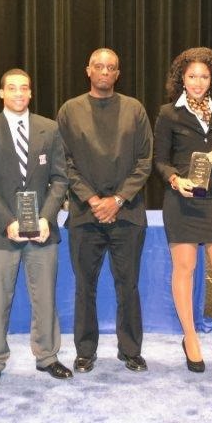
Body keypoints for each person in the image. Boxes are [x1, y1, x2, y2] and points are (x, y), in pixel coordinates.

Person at [0, 69, 72, 388]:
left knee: (45, 296)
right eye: (12, 88)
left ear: (31, 93)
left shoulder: (49, 129)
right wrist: (7, 222)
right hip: (2, 231)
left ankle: (47, 356)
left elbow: (60, 178)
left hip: (42, 230)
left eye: (24, 88)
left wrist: (46, 217)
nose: (18, 93)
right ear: (1, 93)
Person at [57, 48, 152, 373]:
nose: (105, 72)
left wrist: (118, 199)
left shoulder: (134, 109)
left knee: (128, 286)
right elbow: (64, 161)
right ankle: (85, 351)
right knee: (85, 287)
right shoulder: (70, 110)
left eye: (111, 67)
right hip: (86, 215)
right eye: (99, 66)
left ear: (118, 73)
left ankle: (131, 351)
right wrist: (93, 200)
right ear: (88, 70)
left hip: (127, 214)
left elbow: (145, 161)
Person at [153, 47, 212, 374]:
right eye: (192, 76)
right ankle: (190, 337)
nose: (198, 82)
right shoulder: (168, 113)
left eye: (204, 76)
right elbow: (159, 160)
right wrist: (175, 180)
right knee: (185, 270)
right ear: (182, 78)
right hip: (182, 201)